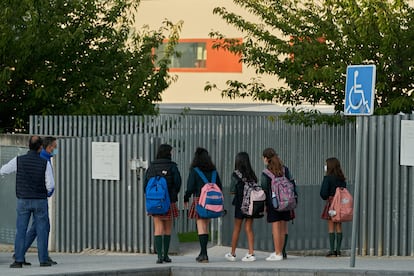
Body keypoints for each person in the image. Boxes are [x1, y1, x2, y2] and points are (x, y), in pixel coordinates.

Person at [0, 136, 55, 268]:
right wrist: (45, 194)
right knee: (42, 230)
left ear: (28, 145)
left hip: (23, 200)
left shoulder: (18, 160)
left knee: (21, 230)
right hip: (40, 200)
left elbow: (3, 170)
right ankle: (43, 260)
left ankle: (18, 260)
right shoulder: (44, 162)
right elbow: (51, 185)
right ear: (41, 147)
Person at [20, 136, 57, 265]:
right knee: (42, 227)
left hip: (36, 197)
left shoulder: (45, 157)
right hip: (39, 198)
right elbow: (46, 181)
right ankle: (42, 257)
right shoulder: (42, 159)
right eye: (54, 147)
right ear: (48, 147)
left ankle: (21, 252)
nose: (55, 149)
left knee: (37, 228)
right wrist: (47, 192)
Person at [144, 144, 182, 264]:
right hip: (169, 201)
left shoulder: (151, 166)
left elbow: (146, 185)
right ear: (168, 153)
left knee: (158, 228)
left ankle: (159, 256)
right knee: (167, 228)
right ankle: (165, 255)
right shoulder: (172, 166)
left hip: (155, 201)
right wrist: (174, 193)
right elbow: (178, 182)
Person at [183, 147, 222, 263]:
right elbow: (219, 186)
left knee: (201, 227)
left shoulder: (195, 171)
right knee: (206, 226)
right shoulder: (214, 172)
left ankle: (204, 254)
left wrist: (186, 198)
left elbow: (190, 187)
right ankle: (202, 252)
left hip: (199, 201)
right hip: (211, 202)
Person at [261, 148, 295, 261]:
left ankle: (277, 252)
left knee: (275, 227)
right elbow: (292, 182)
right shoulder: (285, 169)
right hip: (287, 201)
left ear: (266, 158)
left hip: (274, 202)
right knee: (284, 227)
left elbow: (264, 188)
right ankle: (283, 251)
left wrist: (265, 204)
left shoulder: (266, 173)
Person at [225, 152, 259, 262]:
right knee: (249, 228)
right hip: (251, 205)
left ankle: (232, 253)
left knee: (237, 228)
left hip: (240, 204)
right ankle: (251, 253)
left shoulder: (235, 174)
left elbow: (232, 191)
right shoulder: (252, 174)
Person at [320, 157, 347, 257]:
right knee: (339, 225)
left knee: (331, 225)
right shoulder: (342, 178)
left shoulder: (328, 178)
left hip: (331, 203)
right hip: (340, 204)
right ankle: (338, 250)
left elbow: (323, 193)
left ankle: (332, 250)